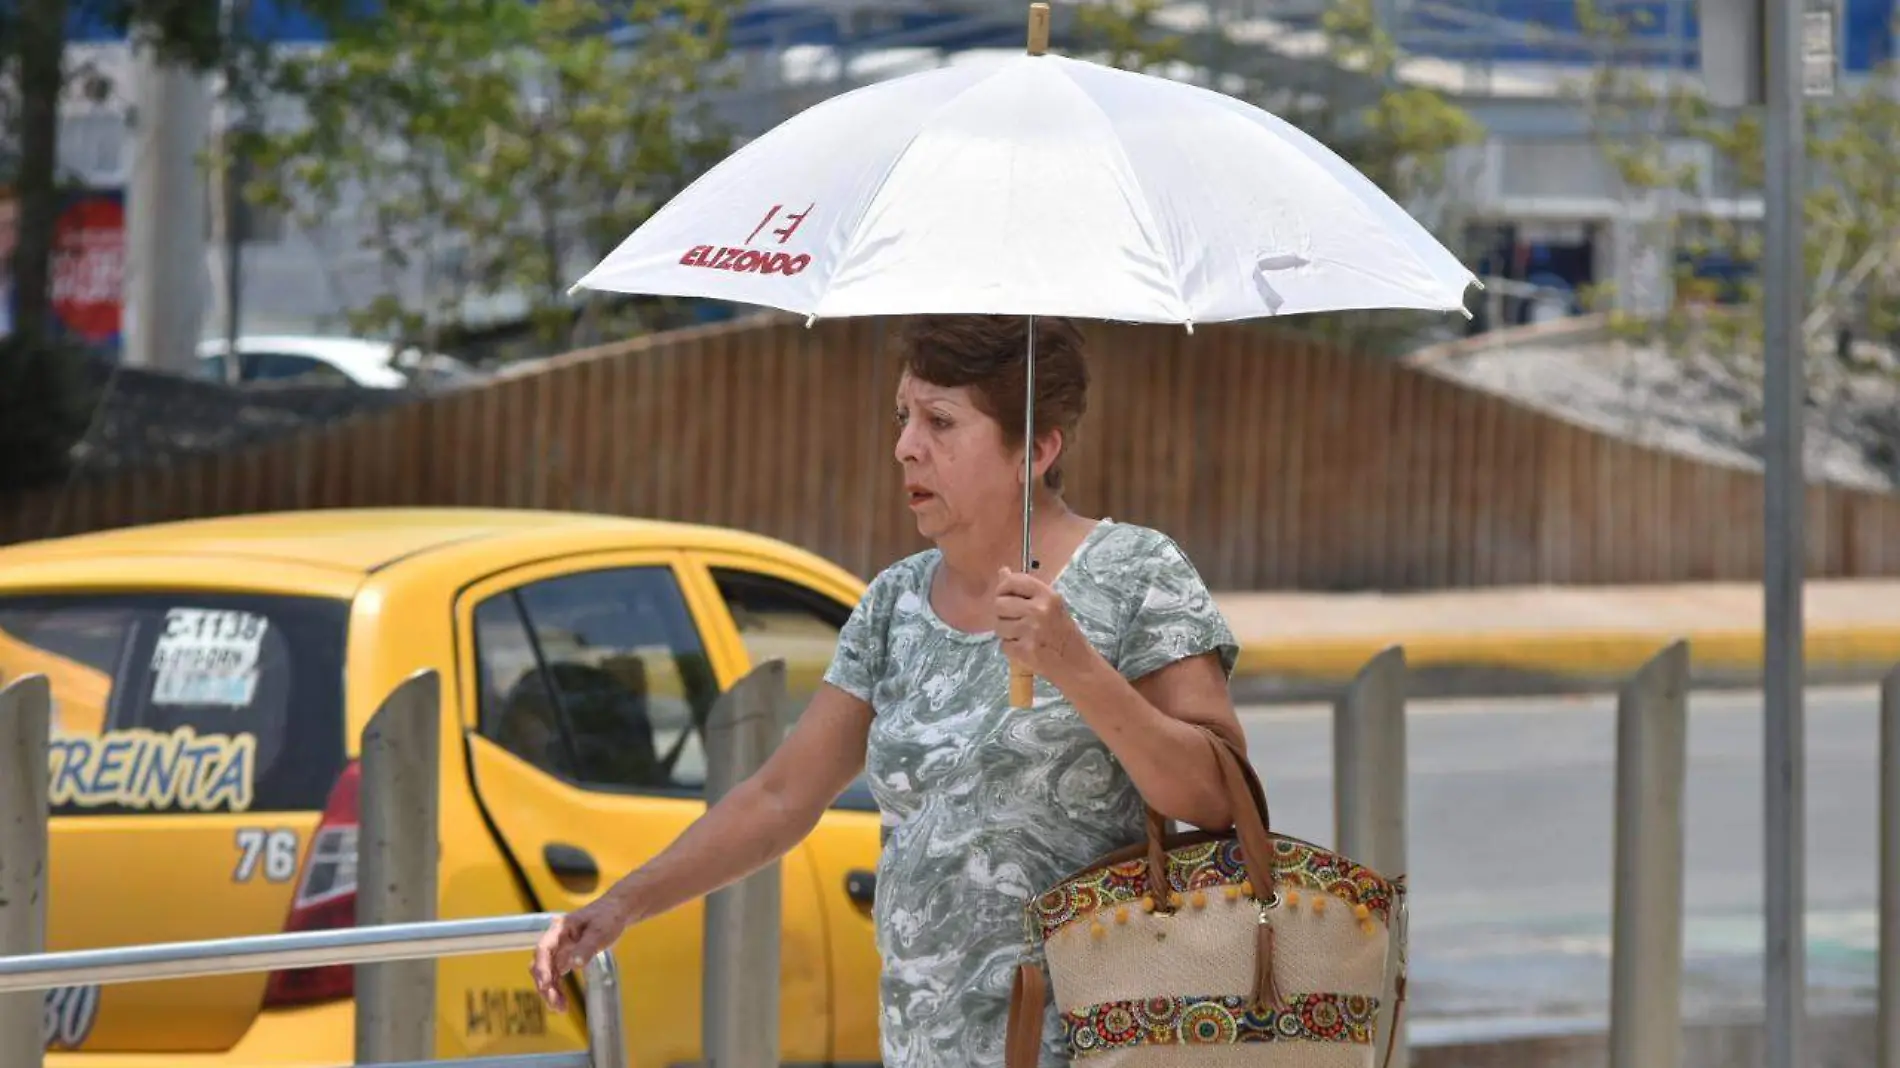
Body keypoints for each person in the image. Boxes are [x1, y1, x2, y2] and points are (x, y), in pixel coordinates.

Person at [529, 314, 1248, 1068]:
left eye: (941, 421)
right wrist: (622, 904)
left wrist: (1076, 666)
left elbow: (1218, 794)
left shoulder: (1139, 572)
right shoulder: (892, 604)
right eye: (904, 416)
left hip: (1098, 1044)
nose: (906, 445)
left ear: (1036, 450)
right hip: (923, 1047)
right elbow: (780, 797)